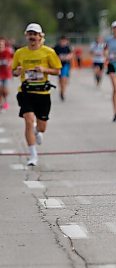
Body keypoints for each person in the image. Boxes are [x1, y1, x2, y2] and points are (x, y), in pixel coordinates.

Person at [11, 23, 62, 166]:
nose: (32, 37)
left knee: (42, 127)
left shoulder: (49, 52)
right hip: (26, 92)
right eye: (30, 34)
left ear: (40, 37)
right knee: (28, 120)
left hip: (43, 93)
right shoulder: (20, 53)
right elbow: (13, 72)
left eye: (35, 34)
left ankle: (38, 131)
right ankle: (33, 155)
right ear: (26, 35)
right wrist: (17, 71)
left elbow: (57, 70)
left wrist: (44, 69)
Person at [53, 35, 73, 101]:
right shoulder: (56, 47)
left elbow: (71, 55)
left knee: (64, 78)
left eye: (65, 41)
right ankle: (61, 90)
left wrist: (67, 57)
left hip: (66, 65)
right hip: (58, 65)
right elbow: (53, 55)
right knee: (60, 80)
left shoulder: (68, 47)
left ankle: (63, 92)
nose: (63, 42)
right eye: (62, 41)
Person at [0, 37, 14, 111]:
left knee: (5, 91)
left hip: (6, 74)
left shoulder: (7, 52)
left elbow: (12, 59)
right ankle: (1, 103)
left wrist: (10, 63)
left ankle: (5, 101)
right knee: (0, 89)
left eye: (1, 44)